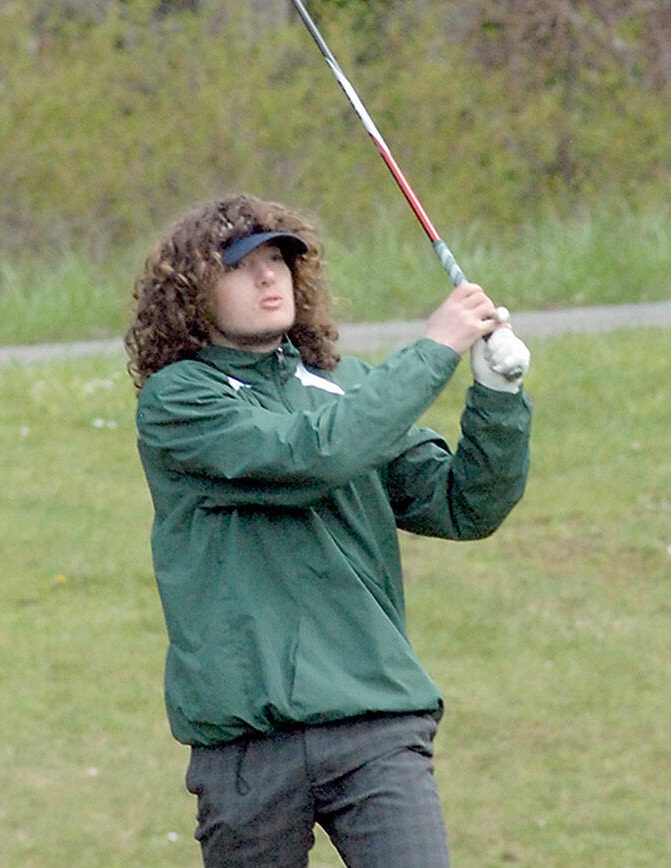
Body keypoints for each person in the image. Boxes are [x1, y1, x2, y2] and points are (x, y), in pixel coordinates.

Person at [123, 192, 532, 867]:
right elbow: (310, 455)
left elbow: (465, 505)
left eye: (280, 261)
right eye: (241, 266)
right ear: (193, 291)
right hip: (246, 748)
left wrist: (497, 397)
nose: (268, 278)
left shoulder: (350, 389)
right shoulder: (179, 401)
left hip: (374, 723)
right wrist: (435, 349)